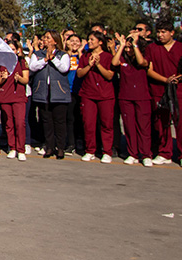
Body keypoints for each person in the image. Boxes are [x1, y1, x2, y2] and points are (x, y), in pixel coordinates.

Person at [144, 22, 182, 166]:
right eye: (159, 32)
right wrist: (165, 80)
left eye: (164, 32)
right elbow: (149, 70)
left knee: (181, 122)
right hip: (159, 89)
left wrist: (178, 78)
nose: (160, 35)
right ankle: (164, 152)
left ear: (172, 33)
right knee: (161, 122)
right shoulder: (152, 48)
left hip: (179, 90)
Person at [112, 31, 153, 167]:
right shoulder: (123, 60)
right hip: (125, 97)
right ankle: (133, 153)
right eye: (128, 48)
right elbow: (114, 62)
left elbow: (142, 62)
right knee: (129, 126)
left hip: (142, 97)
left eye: (131, 47)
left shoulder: (143, 57)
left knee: (143, 126)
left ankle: (146, 154)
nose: (129, 50)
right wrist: (122, 46)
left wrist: (135, 46)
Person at [28, 31, 71, 159]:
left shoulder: (63, 55)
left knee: (60, 121)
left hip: (58, 93)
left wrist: (53, 59)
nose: (45, 40)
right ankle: (49, 146)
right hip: (43, 92)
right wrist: (45, 59)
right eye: (44, 38)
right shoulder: (37, 54)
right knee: (46, 121)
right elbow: (33, 67)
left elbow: (64, 68)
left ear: (55, 41)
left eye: (48, 38)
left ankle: (60, 147)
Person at [77, 31, 116, 163]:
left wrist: (98, 65)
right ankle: (90, 150)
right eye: (88, 39)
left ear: (100, 42)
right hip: (88, 94)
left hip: (105, 94)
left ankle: (107, 151)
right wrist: (89, 65)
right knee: (88, 123)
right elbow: (80, 74)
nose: (89, 41)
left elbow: (110, 75)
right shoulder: (85, 56)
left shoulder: (108, 57)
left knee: (106, 124)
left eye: (92, 39)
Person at [64, 33, 84, 154]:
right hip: (68, 90)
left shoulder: (84, 56)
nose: (74, 43)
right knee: (69, 118)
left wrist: (80, 53)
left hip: (81, 90)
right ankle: (70, 143)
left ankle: (81, 140)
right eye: (72, 41)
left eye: (77, 41)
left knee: (80, 118)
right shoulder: (65, 55)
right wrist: (69, 52)